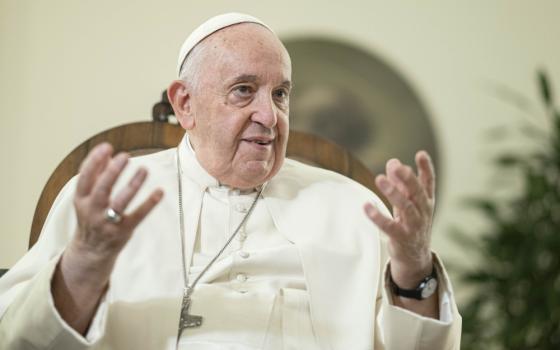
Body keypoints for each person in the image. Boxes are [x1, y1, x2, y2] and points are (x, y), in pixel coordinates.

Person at [0, 13, 461, 349]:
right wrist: (87, 259)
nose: (270, 116)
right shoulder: (111, 198)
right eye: (244, 91)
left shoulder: (351, 207)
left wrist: (414, 272)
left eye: (280, 94)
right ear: (185, 104)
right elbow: (18, 339)